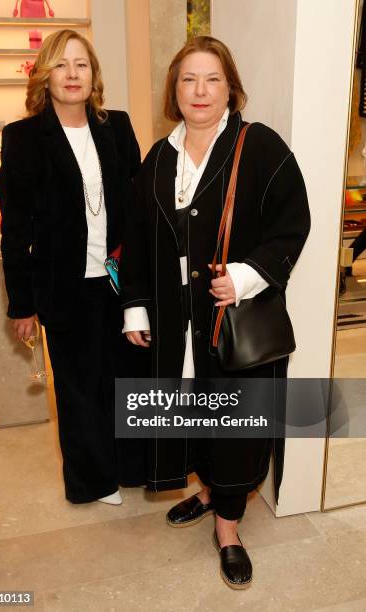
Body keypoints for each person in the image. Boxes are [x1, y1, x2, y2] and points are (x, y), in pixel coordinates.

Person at [120, 36, 310, 589]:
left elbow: (292, 225)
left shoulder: (261, 147)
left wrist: (247, 276)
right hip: (177, 321)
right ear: (173, 90)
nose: (200, 91)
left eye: (212, 79)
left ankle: (228, 528)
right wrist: (135, 307)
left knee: (234, 425)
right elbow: (135, 238)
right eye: (188, 79)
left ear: (231, 87)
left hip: (233, 318)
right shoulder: (158, 158)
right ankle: (206, 492)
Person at [0, 29, 143, 506]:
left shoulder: (117, 126)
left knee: (126, 378)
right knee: (80, 389)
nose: (72, 74)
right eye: (61, 65)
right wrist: (21, 305)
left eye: (81, 64)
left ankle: (128, 467)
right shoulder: (22, 138)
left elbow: (139, 206)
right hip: (64, 286)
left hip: (120, 283)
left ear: (94, 74)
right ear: (45, 75)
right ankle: (93, 481)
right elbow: (17, 230)